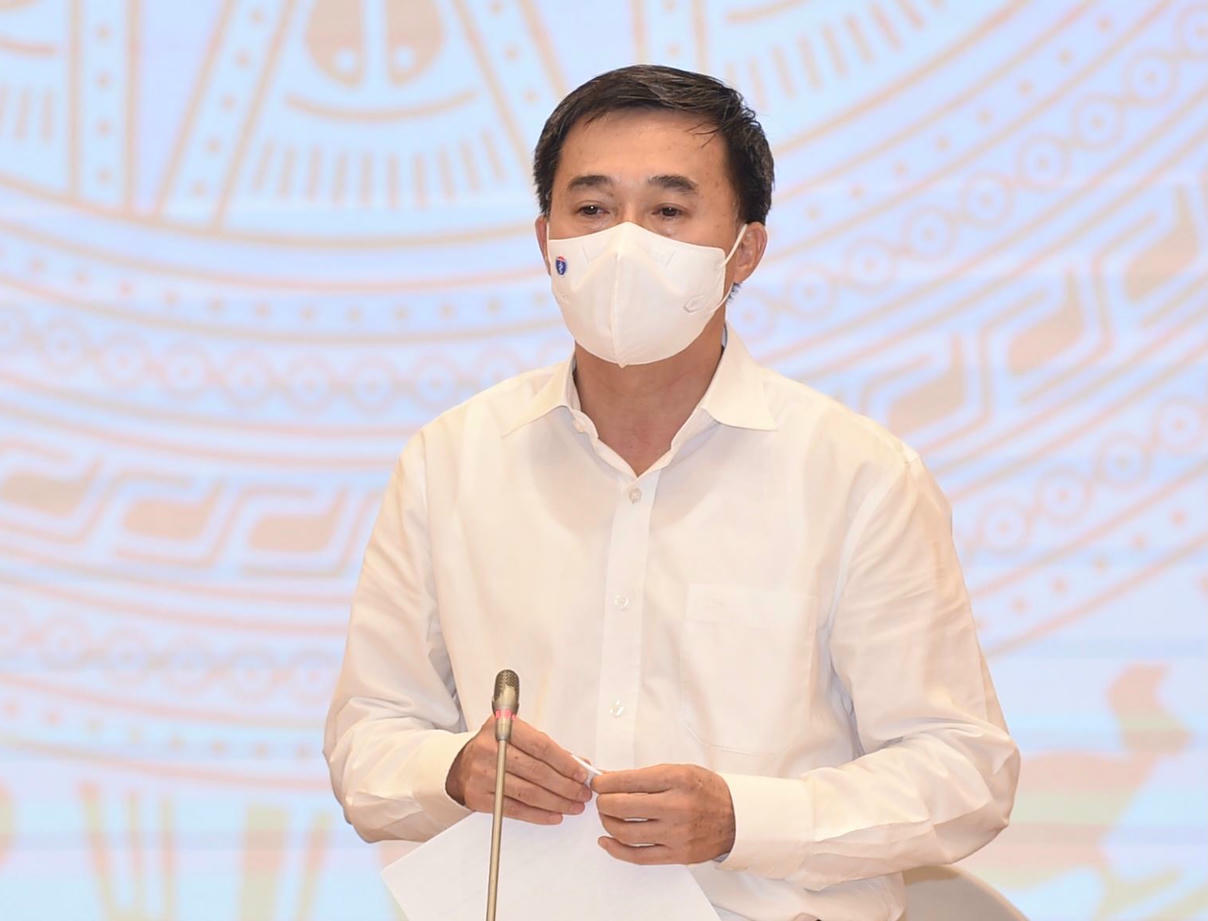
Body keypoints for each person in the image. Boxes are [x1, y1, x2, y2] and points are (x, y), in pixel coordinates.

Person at [324, 64, 1019, 921]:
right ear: (546, 239)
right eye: (592, 208)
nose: (625, 242)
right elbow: (365, 740)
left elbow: (963, 771)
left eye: (667, 211)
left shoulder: (858, 476)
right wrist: (454, 771)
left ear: (745, 250)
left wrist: (744, 819)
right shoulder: (452, 461)